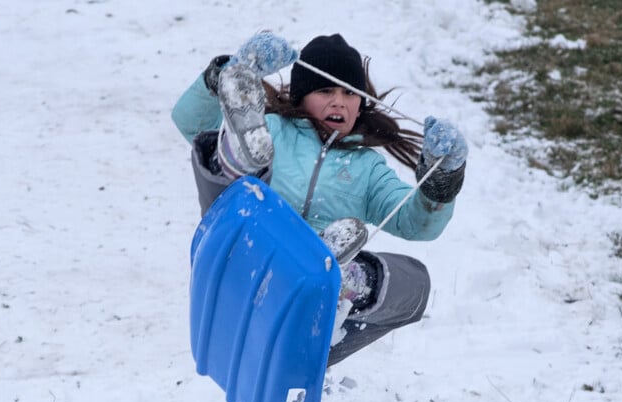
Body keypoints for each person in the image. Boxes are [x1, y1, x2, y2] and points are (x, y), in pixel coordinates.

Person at [172, 33, 467, 366]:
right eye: (326, 90)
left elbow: (418, 224)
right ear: (300, 96)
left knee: (414, 285)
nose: (339, 101)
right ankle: (240, 156)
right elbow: (190, 122)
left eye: (349, 93)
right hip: (239, 251)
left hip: (300, 292)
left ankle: (339, 283)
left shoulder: (368, 169)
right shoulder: (271, 127)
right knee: (243, 167)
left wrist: (443, 179)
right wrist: (226, 75)